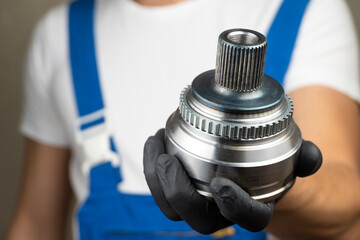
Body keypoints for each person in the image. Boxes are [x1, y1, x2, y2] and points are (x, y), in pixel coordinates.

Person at [6, 0, 360, 239]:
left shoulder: (307, 10)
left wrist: (272, 189)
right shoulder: (61, 35)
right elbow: (36, 223)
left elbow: (345, 205)